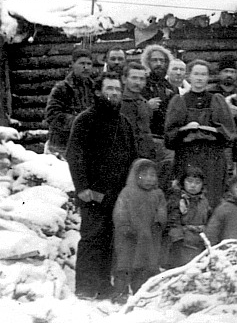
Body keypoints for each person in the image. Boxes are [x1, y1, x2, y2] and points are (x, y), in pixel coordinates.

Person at [66, 71, 139, 300]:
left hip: (117, 195)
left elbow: (132, 157)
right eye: (110, 89)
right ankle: (85, 287)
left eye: (118, 89)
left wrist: (129, 191)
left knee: (110, 240)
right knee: (92, 238)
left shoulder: (123, 122)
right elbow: (74, 155)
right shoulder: (86, 119)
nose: (114, 93)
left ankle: (103, 285)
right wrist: (83, 188)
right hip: (93, 194)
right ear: (98, 92)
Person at [164, 59, 237, 208]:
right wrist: (184, 130)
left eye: (203, 74)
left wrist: (213, 131)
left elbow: (230, 134)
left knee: (212, 199)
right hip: (187, 157)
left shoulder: (217, 100)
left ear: (208, 78)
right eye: (196, 74)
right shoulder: (179, 101)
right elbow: (169, 137)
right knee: (187, 198)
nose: (199, 78)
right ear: (188, 76)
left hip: (213, 159)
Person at [112, 158, 167, 302]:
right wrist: (124, 226)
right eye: (144, 175)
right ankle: (120, 292)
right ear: (135, 176)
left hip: (148, 237)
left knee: (144, 265)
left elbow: (161, 210)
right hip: (128, 237)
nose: (149, 179)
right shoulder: (127, 192)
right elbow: (120, 211)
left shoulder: (158, 194)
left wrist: (159, 222)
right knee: (125, 263)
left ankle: (140, 293)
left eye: (152, 175)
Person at [45, 49, 96, 158]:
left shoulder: (95, 89)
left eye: (89, 64)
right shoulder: (62, 88)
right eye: (82, 63)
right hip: (62, 147)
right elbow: (52, 116)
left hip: (87, 148)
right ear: (73, 64)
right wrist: (79, 121)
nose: (86, 67)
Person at [166, 167, 211, 268]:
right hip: (182, 243)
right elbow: (173, 222)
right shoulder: (178, 200)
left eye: (197, 182)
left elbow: (208, 219)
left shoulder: (204, 201)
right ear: (183, 182)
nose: (193, 185)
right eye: (189, 181)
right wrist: (177, 239)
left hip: (200, 242)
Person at [140, 45, 178, 164]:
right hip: (147, 140)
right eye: (155, 60)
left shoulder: (171, 87)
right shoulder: (142, 84)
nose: (159, 63)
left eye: (162, 60)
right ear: (148, 62)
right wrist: (147, 106)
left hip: (166, 142)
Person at [120, 62, 157, 160]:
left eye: (141, 79)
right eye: (134, 78)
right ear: (124, 79)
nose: (138, 82)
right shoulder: (117, 104)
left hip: (145, 156)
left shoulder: (145, 105)